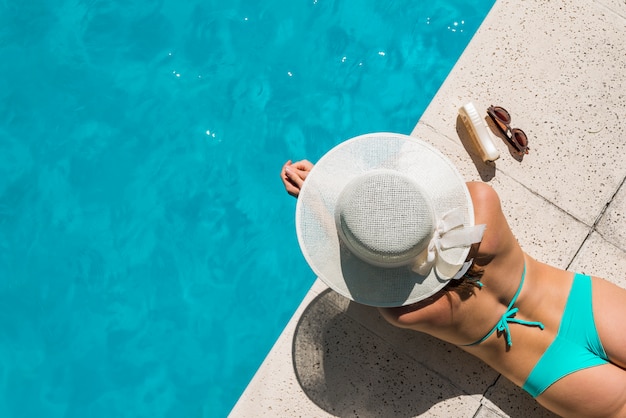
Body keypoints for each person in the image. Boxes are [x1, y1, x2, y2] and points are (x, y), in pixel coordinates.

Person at [280, 133, 626, 418]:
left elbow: (352, 260)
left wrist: (319, 200)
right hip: (583, 303)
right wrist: (333, 179)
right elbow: (401, 194)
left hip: (549, 369)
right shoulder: (481, 202)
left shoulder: (402, 310)